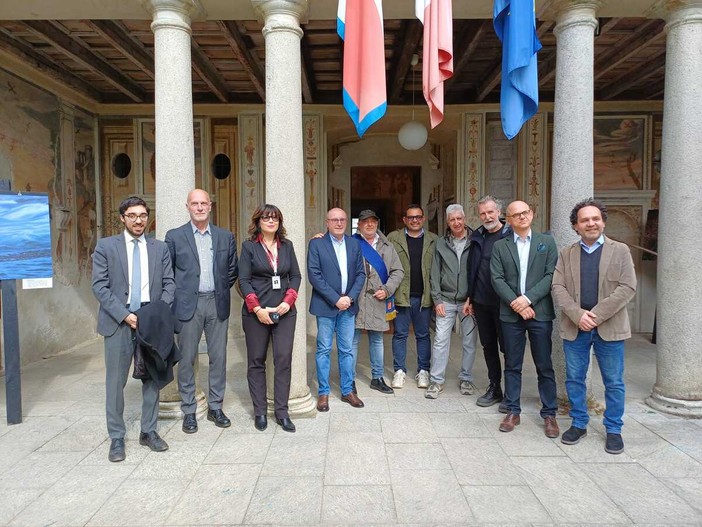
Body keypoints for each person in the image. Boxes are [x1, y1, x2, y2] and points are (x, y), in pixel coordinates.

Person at [92, 196, 175, 462]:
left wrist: (155, 314)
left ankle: (148, 431)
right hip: (118, 322)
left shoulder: (160, 248)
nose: (138, 220)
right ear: (122, 218)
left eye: (142, 215)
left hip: (150, 321)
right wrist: (125, 315)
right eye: (132, 215)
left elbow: (170, 284)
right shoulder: (106, 247)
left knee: (152, 378)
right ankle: (117, 436)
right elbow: (99, 286)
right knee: (116, 382)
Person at [552, 198, 636, 454]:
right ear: (575, 226)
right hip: (575, 327)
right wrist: (578, 315)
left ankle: (614, 429)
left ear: (603, 222)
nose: (591, 223)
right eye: (585, 220)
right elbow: (558, 287)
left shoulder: (620, 250)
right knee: (575, 379)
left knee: (614, 382)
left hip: (609, 328)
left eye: (595, 218)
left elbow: (627, 287)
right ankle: (579, 423)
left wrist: (595, 316)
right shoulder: (567, 254)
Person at [164, 189, 238, 433]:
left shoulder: (225, 236)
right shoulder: (174, 236)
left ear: (210, 206)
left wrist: (219, 289)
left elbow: (232, 270)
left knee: (219, 357)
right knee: (187, 358)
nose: (199, 207)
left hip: (217, 302)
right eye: (194, 203)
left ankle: (216, 406)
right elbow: (168, 272)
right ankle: (189, 410)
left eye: (203, 203)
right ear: (187, 207)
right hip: (188, 305)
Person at [490, 200, 559, 438]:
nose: (522, 216)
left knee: (544, 364)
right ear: (508, 220)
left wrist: (528, 299)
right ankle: (512, 410)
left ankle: (549, 413)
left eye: (525, 212)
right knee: (512, 364)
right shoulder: (500, 246)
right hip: (511, 314)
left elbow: (551, 275)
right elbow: (497, 278)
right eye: (516, 214)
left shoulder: (546, 242)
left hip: (540, 313)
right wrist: (516, 303)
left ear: (532, 214)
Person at [239, 204, 301, 433]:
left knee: (283, 360)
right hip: (256, 314)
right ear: (258, 222)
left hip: (284, 313)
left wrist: (288, 302)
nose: (271, 221)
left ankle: (282, 413)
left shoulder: (287, 246)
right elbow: (243, 280)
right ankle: (260, 412)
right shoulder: (249, 247)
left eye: (275, 218)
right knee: (256, 361)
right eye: (266, 218)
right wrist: (257, 309)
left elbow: (296, 276)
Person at [307, 207, 366, 411]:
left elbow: (361, 274)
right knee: (323, 349)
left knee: (346, 350)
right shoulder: (316, 244)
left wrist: (349, 298)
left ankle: (347, 390)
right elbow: (314, 275)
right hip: (326, 306)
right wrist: (335, 299)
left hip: (348, 306)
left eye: (342, 219)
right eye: (334, 220)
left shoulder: (354, 244)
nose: (339, 223)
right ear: (327, 222)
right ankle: (323, 393)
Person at [463, 196, 512, 410]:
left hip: (505, 304)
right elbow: (472, 269)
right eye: (483, 213)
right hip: (481, 302)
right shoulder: (478, 236)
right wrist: (470, 297)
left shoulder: (510, 235)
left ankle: (511, 392)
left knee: (508, 348)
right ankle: (495, 387)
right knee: (488, 346)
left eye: (490, 212)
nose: (487, 217)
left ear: (499, 212)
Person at [426, 204, 478, 399]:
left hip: (468, 301)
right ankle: (436, 380)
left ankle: (466, 378)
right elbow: (434, 272)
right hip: (446, 300)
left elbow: (479, 271)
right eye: (452, 219)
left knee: (469, 340)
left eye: (459, 218)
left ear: (464, 219)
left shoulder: (475, 241)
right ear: (447, 222)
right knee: (440, 340)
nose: (456, 222)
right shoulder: (441, 243)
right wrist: (437, 299)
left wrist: (473, 298)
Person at [351, 209, 404, 394]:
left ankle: (377, 377)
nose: (369, 224)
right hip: (356, 299)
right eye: (365, 221)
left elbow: (398, 271)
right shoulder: (351, 243)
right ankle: (349, 379)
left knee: (377, 340)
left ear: (377, 223)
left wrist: (387, 289)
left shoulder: (387, 246)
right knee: (352, 340)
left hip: (378, 299)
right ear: (359, 225)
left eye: (373, 221)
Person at [387, 205, 438, 389]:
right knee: (400, 334)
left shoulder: (433, 240)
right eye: (410, 217)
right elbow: (374, 245)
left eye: (418, 217)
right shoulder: (394, 238)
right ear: (404, 220)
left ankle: (423, 370)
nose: (414, 220)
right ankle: (399, 371)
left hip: (424, 297)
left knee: (423, 335)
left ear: (423, 219)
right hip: (401, 295)